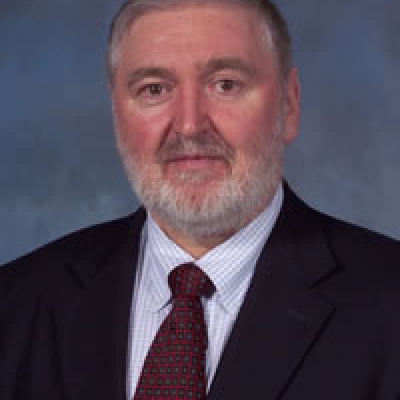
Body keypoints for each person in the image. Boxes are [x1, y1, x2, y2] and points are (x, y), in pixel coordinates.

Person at [1, 0, 399, 399]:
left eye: (225, 84)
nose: (190, 126)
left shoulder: (388, 302)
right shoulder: (16, 302)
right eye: (154, 89)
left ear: (289, 105)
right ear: (117, 112)